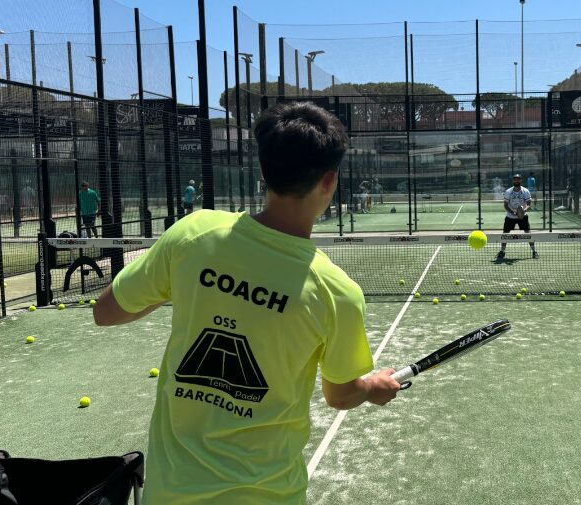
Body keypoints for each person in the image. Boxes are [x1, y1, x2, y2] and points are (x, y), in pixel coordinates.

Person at [92, 102, 401, 505]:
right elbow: (340, 395)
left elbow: (106, 311)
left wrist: (188, 284)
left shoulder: (194, 234)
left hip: (170, 493)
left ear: (263, 170)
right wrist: (373, 386)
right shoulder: (336, 291)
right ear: (329, 181)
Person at [497, 174, 537, 260]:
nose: (516, 181)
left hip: (523, 217)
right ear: (513, 181)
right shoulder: (508, 191)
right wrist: (513, 212)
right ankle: (502, 251)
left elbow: (529, 204)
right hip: (510, 217)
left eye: (518, 179)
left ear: (521, 181)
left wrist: (523, 211)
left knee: (528, 234)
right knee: (505, 235)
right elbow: (505, 205)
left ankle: (534, 251)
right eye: (515, 179)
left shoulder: (525, 191)